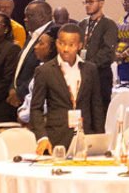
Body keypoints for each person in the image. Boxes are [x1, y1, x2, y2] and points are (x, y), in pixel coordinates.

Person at [29, 23, 105, 151]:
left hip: (86, 136)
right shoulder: (44, 71)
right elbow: (36, 108)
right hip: (56, 138)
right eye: (62, 43)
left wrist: (99, 138)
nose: (65, 49)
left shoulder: (90, 69)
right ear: (57, 43)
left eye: (71, 45)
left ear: (80, 45)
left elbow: (96, 106)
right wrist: (42, 137)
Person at [80, 0, 119, 110]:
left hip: (100, 74)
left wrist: (88, 66)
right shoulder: (82, 24)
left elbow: (107, 52)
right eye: (85, 2)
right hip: (83, 74)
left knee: (100, 111)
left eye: (91, 2)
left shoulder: (109, 24)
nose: (87, 5)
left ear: (101, 3)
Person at [10, 0, 53, 108]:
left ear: (42, 17)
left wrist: (20, 92)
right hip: (21, 99)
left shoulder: (51, 35)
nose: (25, 19)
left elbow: (44, 69)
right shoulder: (32, 34)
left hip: (37, 100)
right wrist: (13, 87)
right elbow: (21, 65)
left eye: (29, 16)